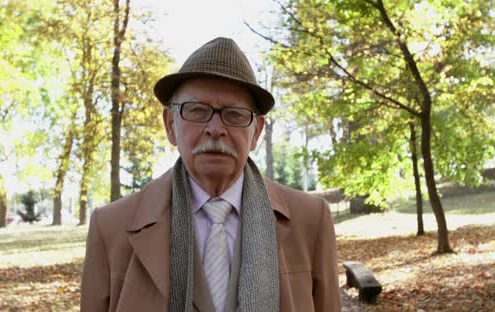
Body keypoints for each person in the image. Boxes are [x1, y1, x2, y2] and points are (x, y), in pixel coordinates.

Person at [81, 37, 341, 312]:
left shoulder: (310, 221)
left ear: (257, 132)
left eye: (235, 114)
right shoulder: (110, 227)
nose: (215, 128)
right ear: (171, 125)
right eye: (197, 111)